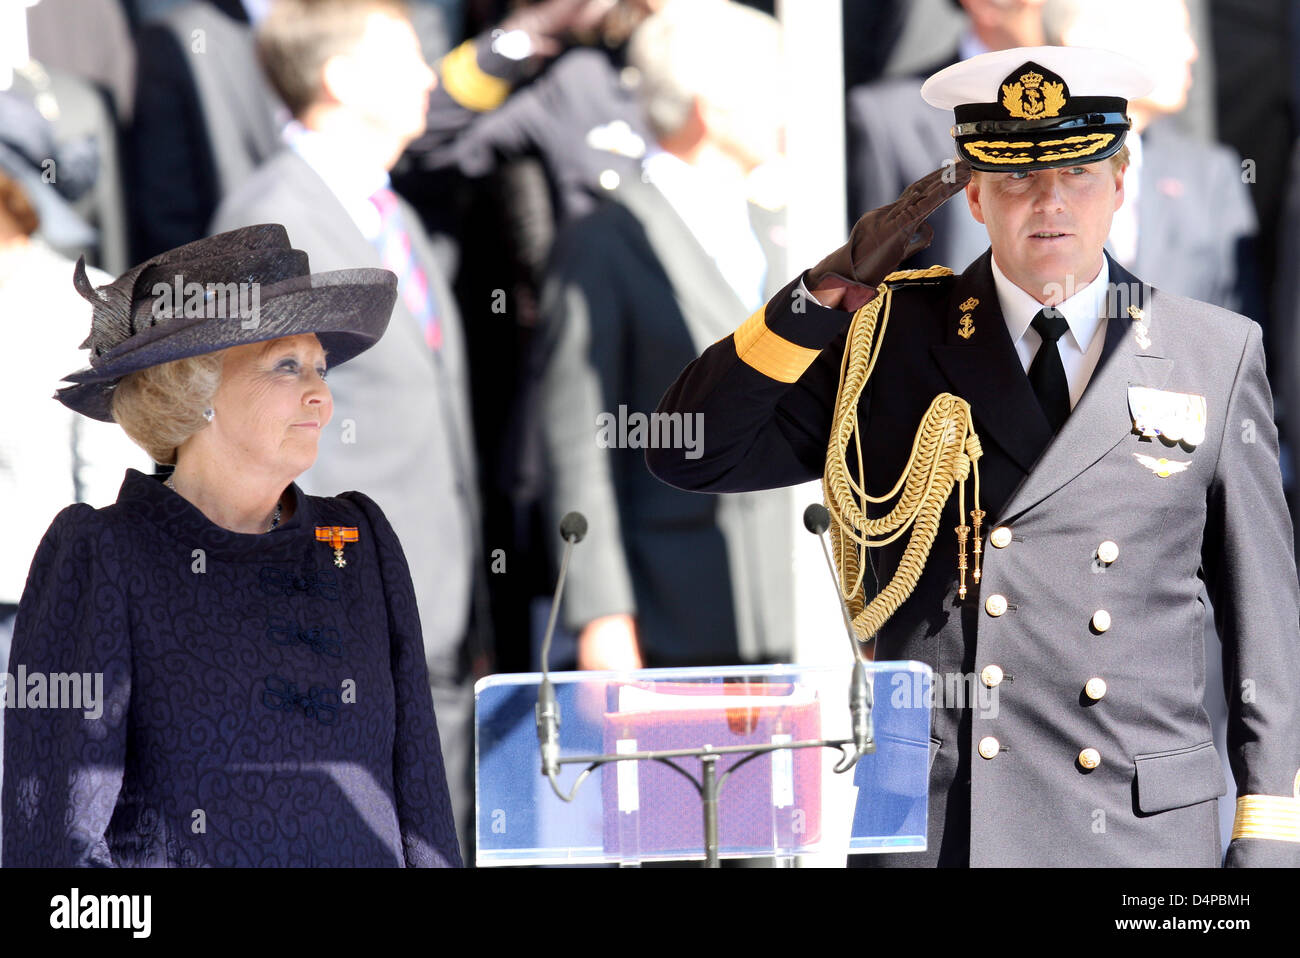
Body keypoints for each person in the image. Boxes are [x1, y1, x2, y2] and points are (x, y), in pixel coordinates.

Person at [648, 46, 1300, 867]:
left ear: (1121, 182)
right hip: (942, 823)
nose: (1050, 203)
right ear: (978, 197)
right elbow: (694, 451)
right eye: (1018, 180)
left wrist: (1269, 835)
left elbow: (1264, 618)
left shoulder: (1212, 350)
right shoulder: (888, 340)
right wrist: (820, 295)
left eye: (1079, 174)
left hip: (1137, 836)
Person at [1, 223, 462, 867]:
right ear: (196, 389)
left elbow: (424, 810)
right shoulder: (104, 554)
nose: (321, 397)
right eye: (286, 366)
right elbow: (54, 843)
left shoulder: (356, 541)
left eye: (320, 369)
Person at [537, 1, 793, 671]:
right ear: (710, 107)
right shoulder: (604, 241)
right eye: (772, 88)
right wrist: (601, 616)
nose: (787, 108)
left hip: (793, 599)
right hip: (672, 610)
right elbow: (580, 444)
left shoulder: (784, 229)